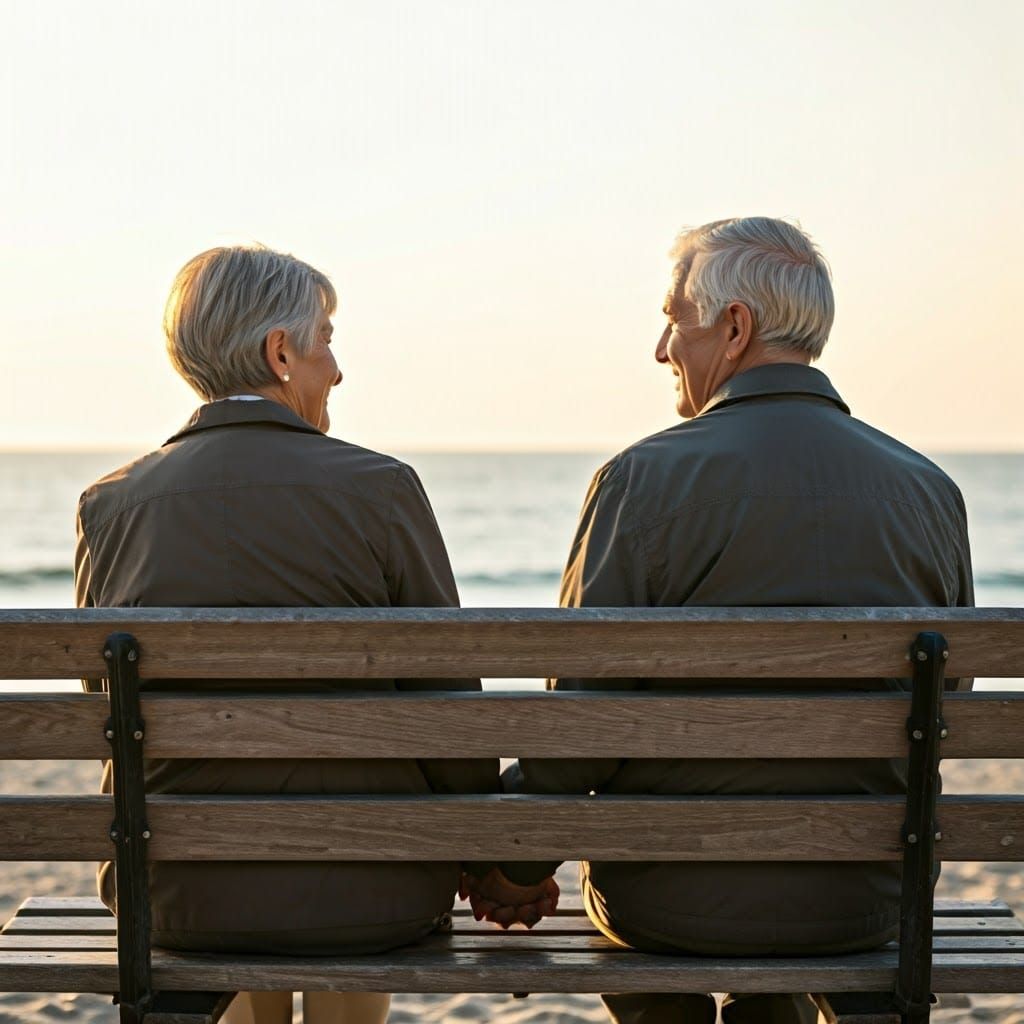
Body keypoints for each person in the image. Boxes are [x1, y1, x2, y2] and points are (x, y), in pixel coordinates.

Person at [466, 217, 974, 1024]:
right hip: (863, 903)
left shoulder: (640, 481)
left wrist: (517, 866)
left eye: (675, 318)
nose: (663, 348)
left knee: (662, 925)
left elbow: (578, 726)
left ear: (734, 328)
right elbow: (942, 707)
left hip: (671, 905)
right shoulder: (930, 493)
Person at [74, 245, 542, 1024]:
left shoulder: (111, 506)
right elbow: (450, 714)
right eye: (326, 340)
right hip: (371, 893)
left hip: (177, 896)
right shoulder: (382, 490)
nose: (337, 368)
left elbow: (110, 712)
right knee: (342, 876)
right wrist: (489, 862)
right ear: (279, 353)